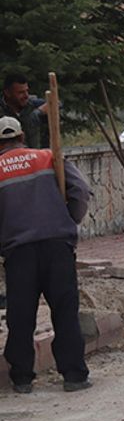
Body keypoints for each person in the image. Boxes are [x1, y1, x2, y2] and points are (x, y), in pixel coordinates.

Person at [0, 116, 92, 393]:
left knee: (20, 316)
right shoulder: (48, 157)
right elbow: (80, 191)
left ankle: (22, 378)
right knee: (64, 312)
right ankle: (74, 375)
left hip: (19, 252)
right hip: (57, 246)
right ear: (22, 135)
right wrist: (68, 220)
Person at [1, 74, 48, 149]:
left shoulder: (31, 104)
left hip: (35, 156)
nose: (26, 96)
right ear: (7, 93)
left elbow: (56, 103)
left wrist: (39, 112)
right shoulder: (2, 111)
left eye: (27, 91)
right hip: (10, 158)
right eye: (21, 92)